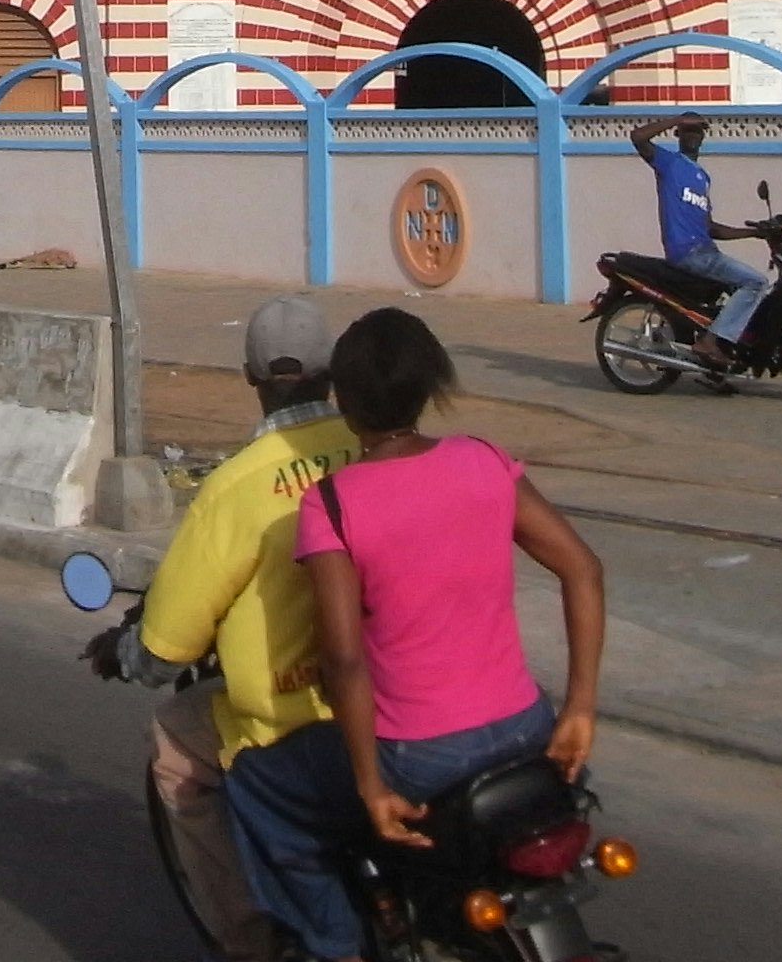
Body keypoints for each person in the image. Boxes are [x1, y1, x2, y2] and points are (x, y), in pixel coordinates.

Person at [221, 309, 607, 962]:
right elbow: (583, 569)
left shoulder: (333, 502)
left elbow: (343, 661)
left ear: (343, 400)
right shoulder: (483, 460)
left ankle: (332, 944)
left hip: (419, 756)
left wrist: (372, 787)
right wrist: (579, 707)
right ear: (432, 388)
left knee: (257, 784)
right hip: (525, 727)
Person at [82, 298, 360, 962]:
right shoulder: (376, 446)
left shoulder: (235, 488)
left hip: (290, 718)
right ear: (333, 370)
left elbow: (164, 646)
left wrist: (121, 652)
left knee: (175, 741)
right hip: (391, 700)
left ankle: (246, 941)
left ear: (249, 377)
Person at [632, 114, 777, 368]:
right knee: (756, 282)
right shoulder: (669, 164)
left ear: (703, 137)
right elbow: (638, 137)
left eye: (697, 131)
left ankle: (721, 363)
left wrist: (755, 233)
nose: (692, 136)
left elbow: (711, 228)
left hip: (706, 251)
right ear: (678, 136)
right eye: (687, 131)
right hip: (688, 253)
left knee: (733, 294)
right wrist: (678, 118)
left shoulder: (703, 178)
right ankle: (709, 342)